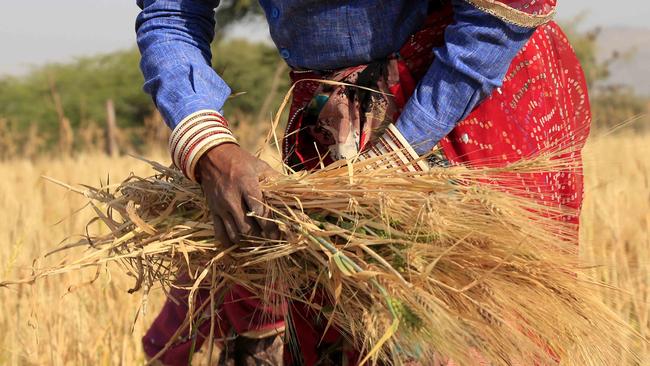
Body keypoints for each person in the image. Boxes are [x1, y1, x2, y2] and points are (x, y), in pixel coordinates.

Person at [135, 0, 591, 364]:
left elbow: (494, 20)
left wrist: (399, 153)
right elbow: (170, 14)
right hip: (329, 134)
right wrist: (207, 145)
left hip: (459, 101)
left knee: (463, 338)